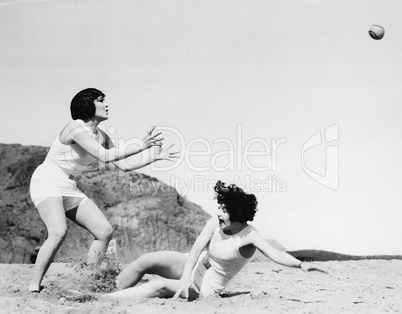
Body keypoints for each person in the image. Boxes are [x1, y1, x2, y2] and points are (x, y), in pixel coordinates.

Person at [28, 88, 178, 292]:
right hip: (47, 180)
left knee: (104, 231)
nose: (106, 104)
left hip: (69, 186)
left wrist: (154, 156)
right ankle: (34, 286)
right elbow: (105, 156)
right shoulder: (75, 127)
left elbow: (123, 165)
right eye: (100, 100)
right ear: (88, 104)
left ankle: (89, 281)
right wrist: (141, 145)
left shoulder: (101, 135)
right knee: (58, 231)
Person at [107, 180, 326, 300]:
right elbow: (195, 250)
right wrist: (185, 278)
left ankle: (102, 301)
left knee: (161, 286)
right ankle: (107, 290)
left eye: (224, 210)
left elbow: (275, 254)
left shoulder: (249, 236)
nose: (219, 213)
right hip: (191, 267)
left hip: (205, 287)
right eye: (219, 208)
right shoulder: (215, 223)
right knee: (146, 260)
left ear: (237, 212)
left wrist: (301, 264)